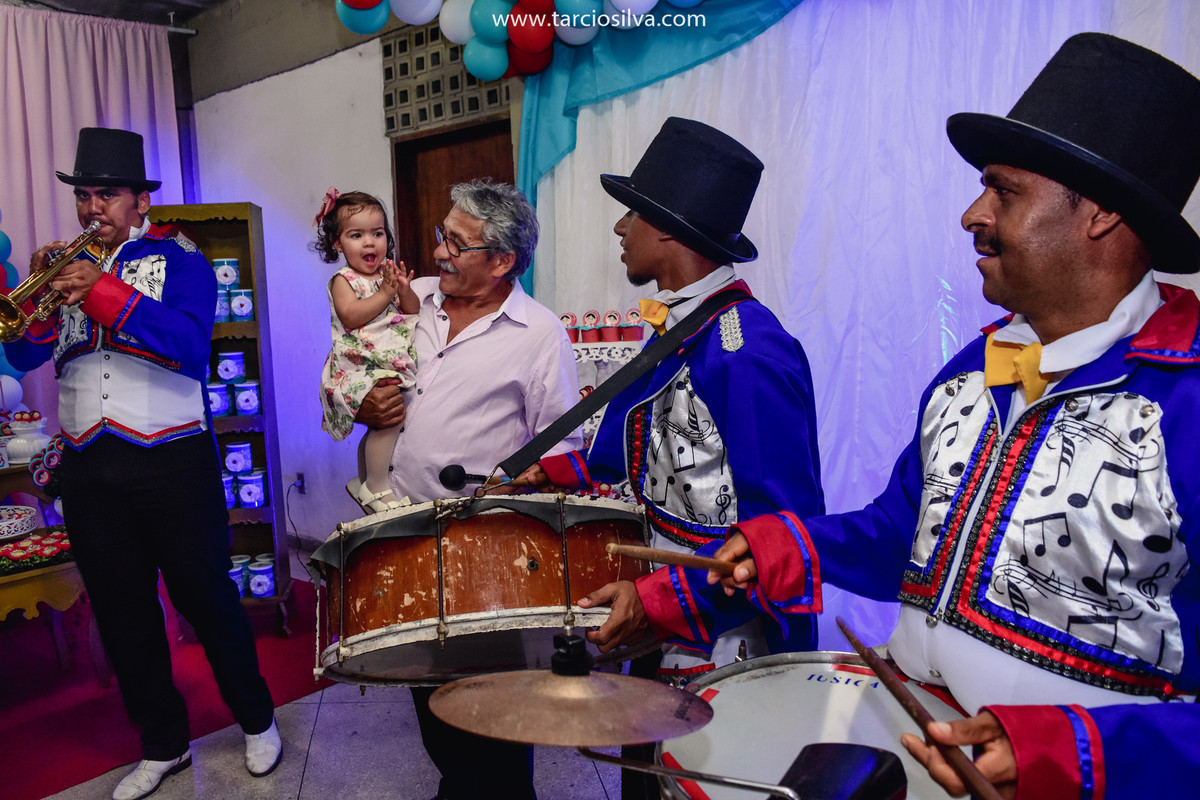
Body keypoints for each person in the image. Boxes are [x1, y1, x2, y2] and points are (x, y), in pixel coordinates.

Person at [580, 35, 1200, 798]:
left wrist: (1075, 749)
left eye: (1003, 191)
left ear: (1101, 214)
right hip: (910, 733)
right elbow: (898, 536)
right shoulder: (970, 372)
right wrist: (787, 543)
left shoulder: (1188, 399)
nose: (973, 214)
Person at [2, 127, 280, 800]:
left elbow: (188, 345)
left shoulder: (180, 258)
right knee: (124, 611)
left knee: (206, 598)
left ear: (138, 201)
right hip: (90, 467)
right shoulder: (62, 265)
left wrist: (99, 289)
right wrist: (39, 309)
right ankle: (163, 745)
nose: (94, 207)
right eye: (86, 195)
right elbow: (25, 357)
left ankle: (258, 719)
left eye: (109, 194)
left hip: (170, 459)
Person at [513, 117, 825, 682]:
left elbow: (782, 531)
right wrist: (548, 473)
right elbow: (623, 457)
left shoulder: (747, 350)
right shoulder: (677, 330)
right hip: (660, 613)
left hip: (727, 641)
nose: (619, 227)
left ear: (664, 229)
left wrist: (665, 601)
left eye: (631, 213)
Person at [354, 178, 582, 800]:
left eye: (456, 243)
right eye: (440, 236)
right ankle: (459, 787)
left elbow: (562, 445)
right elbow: (354, 362)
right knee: (429, 690)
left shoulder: (539, 334)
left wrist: (525, 478)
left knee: (496, 703)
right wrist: (364, 405)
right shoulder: (412, 300)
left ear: (503, 261)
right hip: (401, 530)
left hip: (486, 548)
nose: (439, 254)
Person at [313, 188, 418, 513]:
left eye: (377, 233)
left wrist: (402, 289)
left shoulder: (386, 276)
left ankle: (363, 481)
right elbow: (351, 315)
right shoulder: (343, 280)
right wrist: (386, 293)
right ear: (338, 243)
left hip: (383, 360)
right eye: (356, 235)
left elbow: (412, 311)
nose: (370, 242)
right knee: (388, 421)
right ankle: (376, 485)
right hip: (361, 363)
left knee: (380, 424)